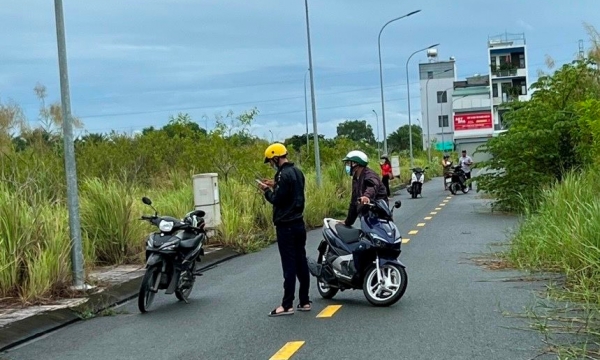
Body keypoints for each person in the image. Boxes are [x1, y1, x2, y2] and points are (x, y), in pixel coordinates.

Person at [258, 143, 311, 317]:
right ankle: (304, 301)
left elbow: (278, 200)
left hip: (285, 226)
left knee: (289, 266)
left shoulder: (282, 174)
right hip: (299, 223)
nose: (271, 164)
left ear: (275, 157)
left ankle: (287, 305)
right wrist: (275, 184)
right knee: (301, 262)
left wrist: (266, 191)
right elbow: (290, 192)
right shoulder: (297, 172)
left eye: (271, 161)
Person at [341, 150, 388, 279]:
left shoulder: (369, 175)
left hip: (379, 217)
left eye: (349, 163)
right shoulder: (356, 179)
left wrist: (366, 197)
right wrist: (347, 222)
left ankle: (361, 272)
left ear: (356, 164)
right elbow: (353, 203)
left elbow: (373, 186)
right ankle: (359, 273)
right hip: (367, 218)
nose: (348, 166)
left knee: (373, 245)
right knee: (362, 246)